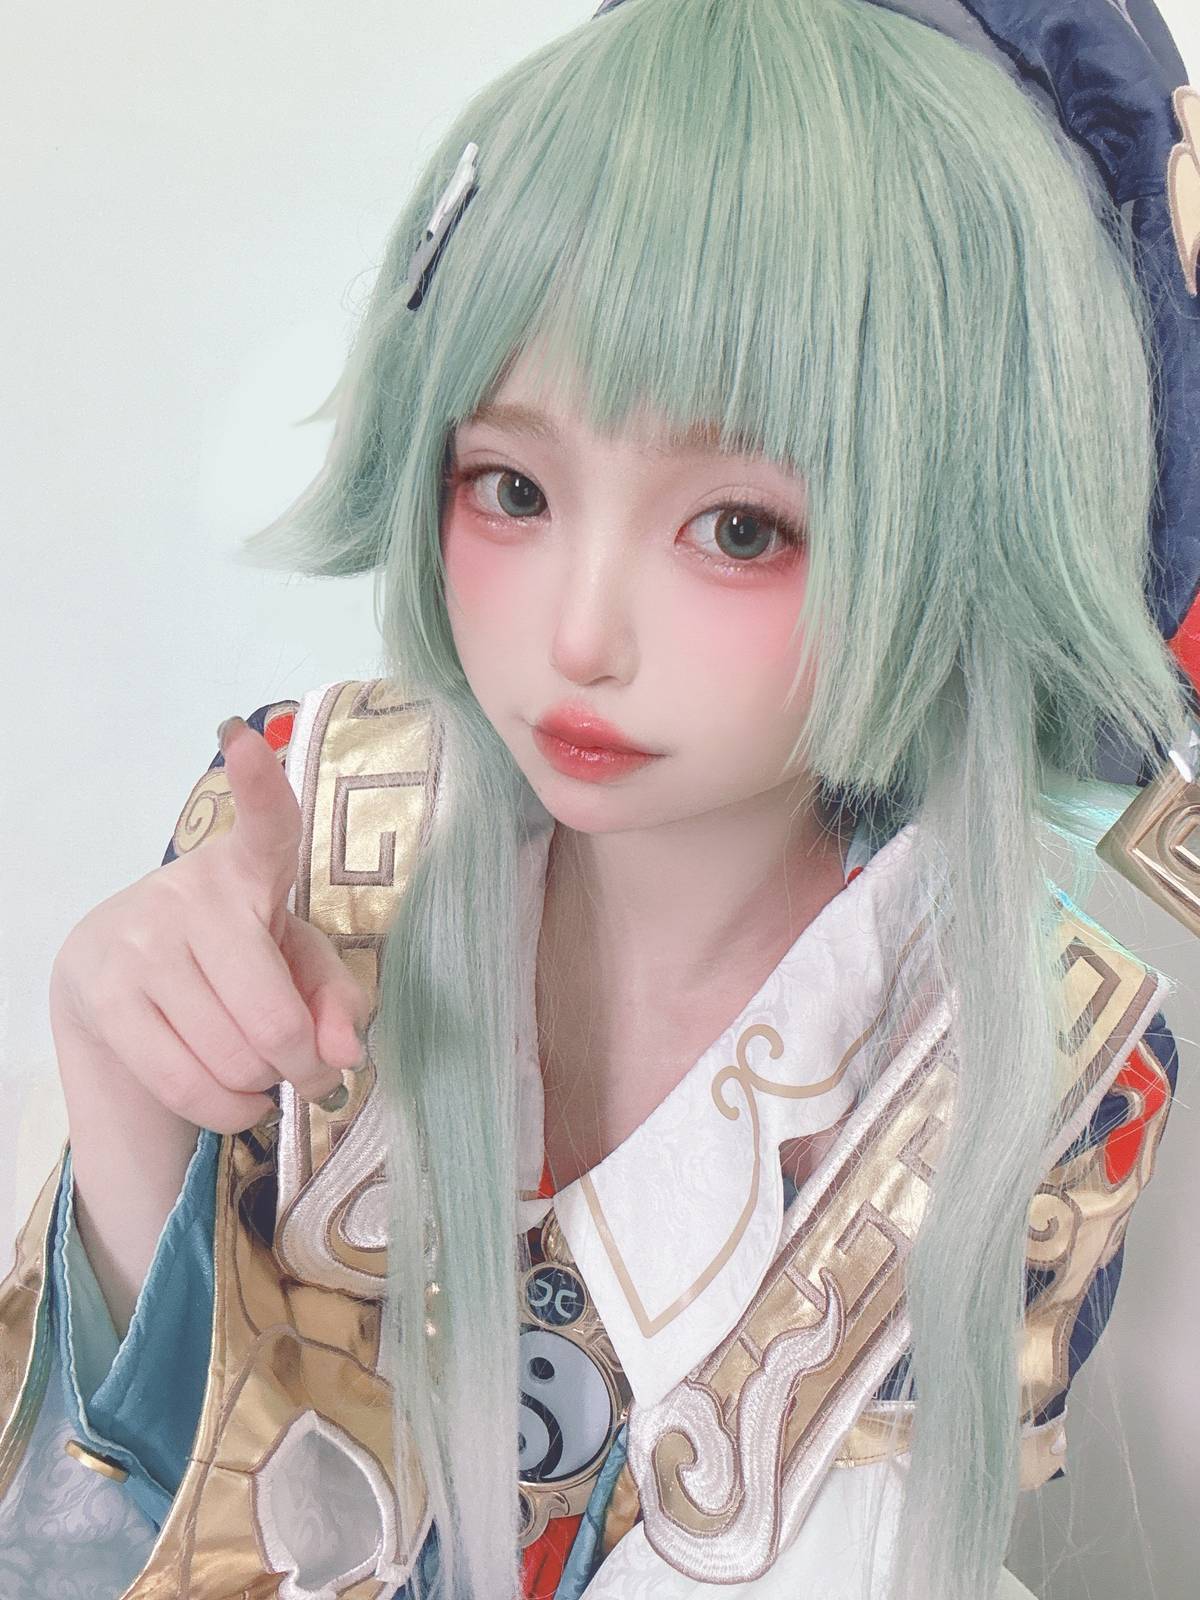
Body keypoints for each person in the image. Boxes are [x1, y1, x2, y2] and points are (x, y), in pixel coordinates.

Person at [1, 0, 1197, 1596]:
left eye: (741, 528)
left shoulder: (1029, 1048)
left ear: (965, 528)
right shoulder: (309, 836)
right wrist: (121, 1105)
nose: (579, 637)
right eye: (514, 487)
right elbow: (118, 1535)